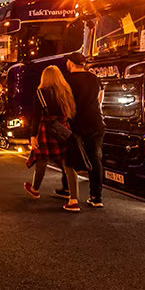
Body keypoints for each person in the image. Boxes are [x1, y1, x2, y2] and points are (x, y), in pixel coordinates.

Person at [24, 65, 88, 212]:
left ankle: (35, 189)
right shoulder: (65, 92)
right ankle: (73, 200)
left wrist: (33, 135)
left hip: (46, 129)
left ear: (44, 78)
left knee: (41, 158)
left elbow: (36, 116)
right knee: (68, 164)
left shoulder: (41, 93)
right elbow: (72, 113)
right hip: (63, 129)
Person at [55, 52, 106, 207]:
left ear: (70, 63)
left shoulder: (66, 80)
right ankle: (96, 197)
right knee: (95, 158)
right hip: (96, 122)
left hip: (75, 123)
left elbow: (62, 103)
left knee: (69, 157)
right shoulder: (95, 79)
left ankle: (68, 191)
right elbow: (100, 100)